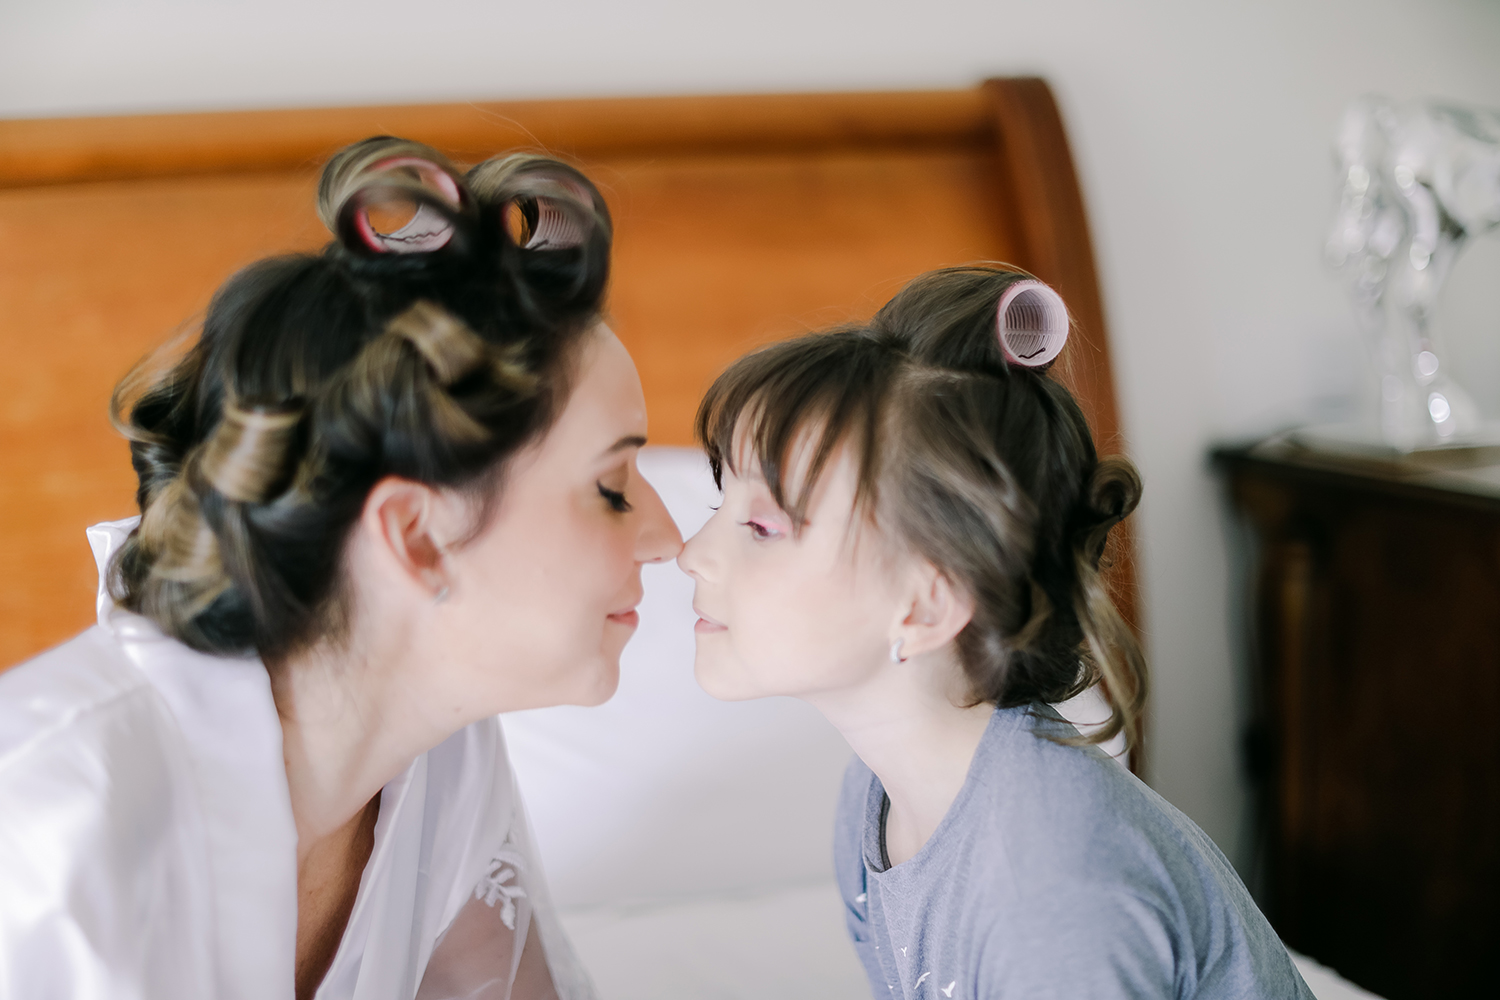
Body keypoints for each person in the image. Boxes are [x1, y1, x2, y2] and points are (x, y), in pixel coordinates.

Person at [0, 137, 681, 1000]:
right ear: (416, 535)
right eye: (612, 484)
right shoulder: (41, 839)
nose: (670, 537)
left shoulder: (442, 748)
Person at [678, 266, 1312, 998]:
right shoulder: (874, 802)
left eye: (760, 526)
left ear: (925, 605)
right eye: (720, 504)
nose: (695, 553)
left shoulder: (1053, 886)